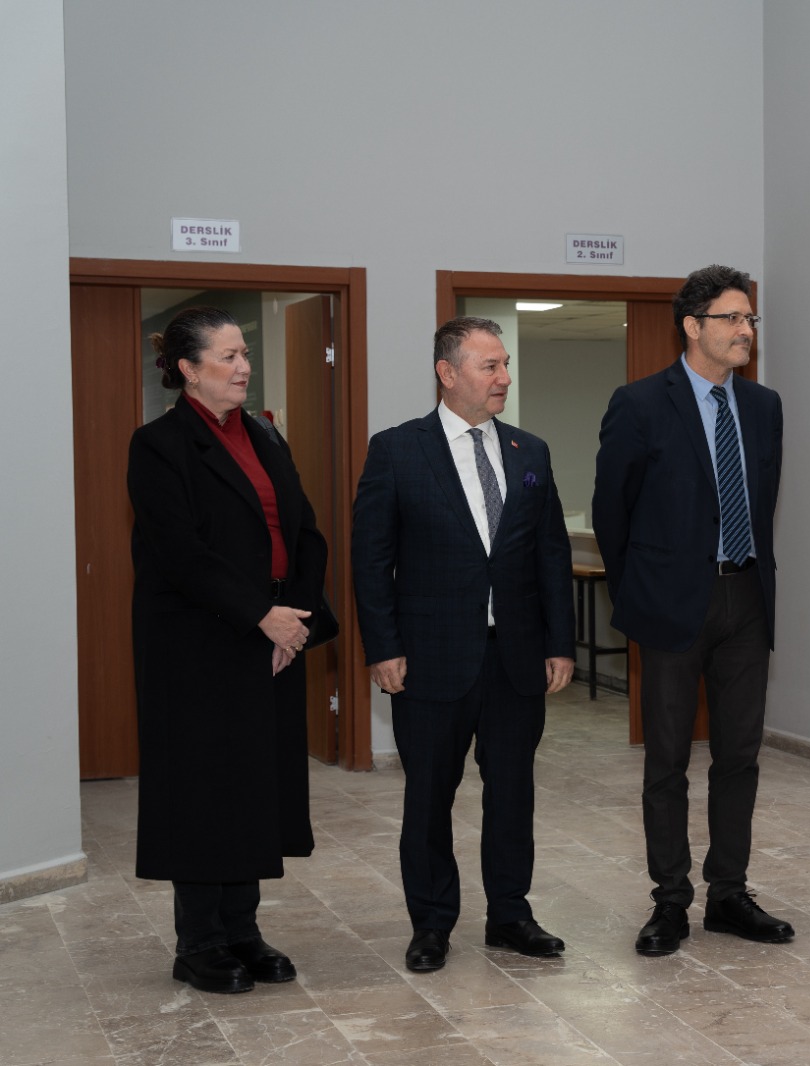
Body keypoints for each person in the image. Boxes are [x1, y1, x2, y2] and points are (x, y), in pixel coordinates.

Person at [351, 317, 575, 973]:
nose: (505, 377)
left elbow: (551, 554)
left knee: (512, 794)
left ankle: (510, 914)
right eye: (490, 366)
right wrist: (382, 647)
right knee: (428, 797)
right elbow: (372, 560)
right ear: (447, 373)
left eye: (505, 364)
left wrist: (560, 643)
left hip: (516, 659)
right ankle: (431, 924)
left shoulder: (530, 451)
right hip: (429, 658)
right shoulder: (397, 450)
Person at [592, 264, 792, 957]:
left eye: (749, 319)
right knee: (668, 759)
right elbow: (612, 512)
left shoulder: (764, 407)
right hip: (671, 602)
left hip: (747, 598)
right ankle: (670, 900)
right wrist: (638, 594)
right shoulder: (640, 404)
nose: (745, 331)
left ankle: (729, 894)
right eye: (731, 318)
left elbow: (762, 501)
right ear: (692, 326)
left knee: (739, 756)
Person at [128, 307, 328, 994]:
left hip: (272, 635)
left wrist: (294, 622)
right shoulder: (159, 444)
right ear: (188, 369)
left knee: (254, 786)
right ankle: (201, 942)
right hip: (198, 643)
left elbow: (304, 530)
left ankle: (243, 930)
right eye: (229, 356)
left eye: (245, 354)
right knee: (202, 789)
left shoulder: (265, 434)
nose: (245, 367)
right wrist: (260, 617)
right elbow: (181, 553)